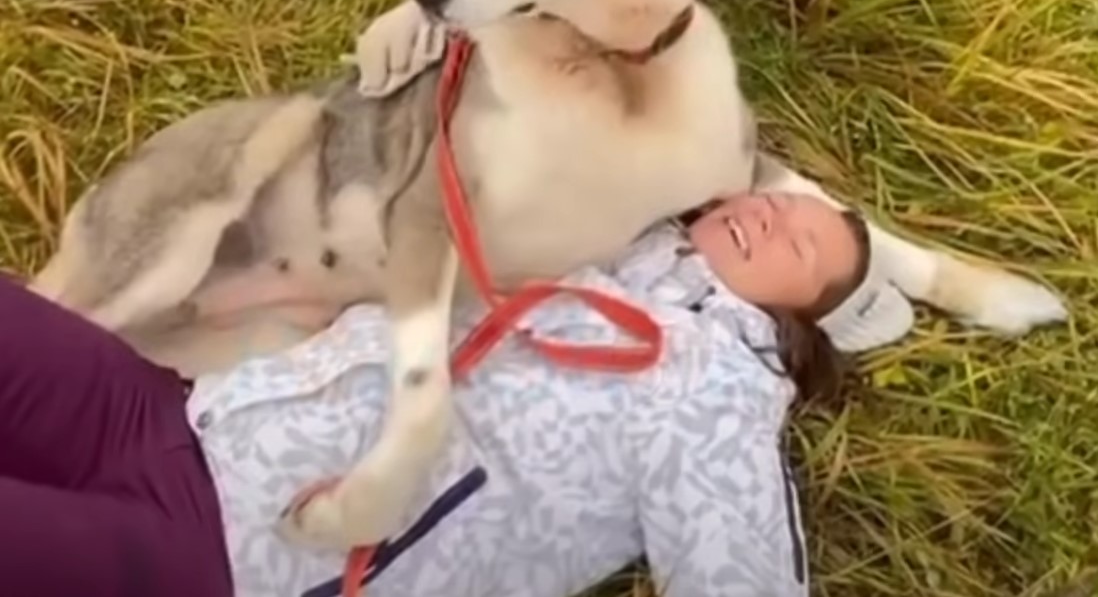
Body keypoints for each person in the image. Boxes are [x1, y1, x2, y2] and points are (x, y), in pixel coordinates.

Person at [0, 191, 917, 597]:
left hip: (235, 560)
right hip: (183, 415)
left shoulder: (720, 395)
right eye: (785, 204)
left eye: (801, 248)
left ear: (803, 323)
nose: (774, 218)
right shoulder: (598, 246)